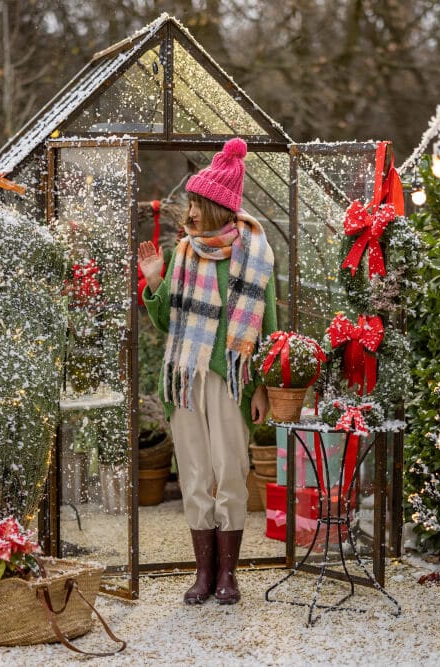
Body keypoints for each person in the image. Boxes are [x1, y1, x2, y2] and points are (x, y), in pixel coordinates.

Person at [139, 138, 277, 605]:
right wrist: (156, 280)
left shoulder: (254, 254)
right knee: (195, 474)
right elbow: (165, 321)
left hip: (231, 379)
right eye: (190, 204)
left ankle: (229, 576)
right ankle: (204, 573)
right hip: (184, 377)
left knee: (231, 473)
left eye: (198, 204)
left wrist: (260, 386)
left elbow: (267, 325)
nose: (190, 213)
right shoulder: (183, 254)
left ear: (220, 206)